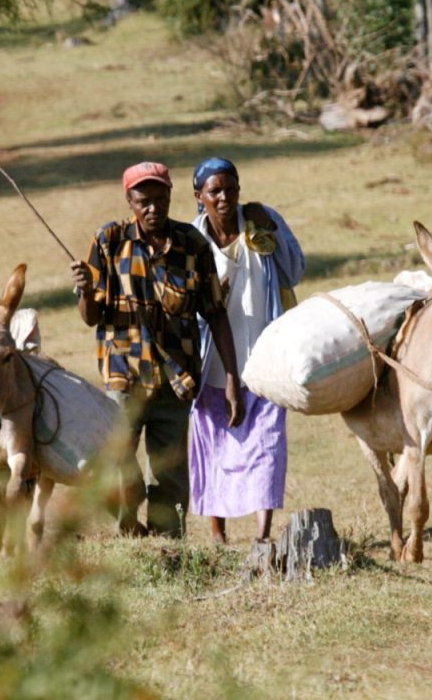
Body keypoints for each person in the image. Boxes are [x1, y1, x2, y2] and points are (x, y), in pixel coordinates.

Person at [71, 161, 246, 537]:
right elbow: (91, 317)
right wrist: (86, 290)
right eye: (143, 201)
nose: (152, 209)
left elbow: (215, 314)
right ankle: (130, 536)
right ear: (129, 201)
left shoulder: (192, 245)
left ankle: (169, 547)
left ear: (171, 196)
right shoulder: (109, 240)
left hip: (177, 382)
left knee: (170, 474)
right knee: (120, 467)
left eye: (159, 199)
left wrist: (232, 379)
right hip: (124, 380)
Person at [189, 157, 305, 544]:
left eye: (231, 188)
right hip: (212, 365)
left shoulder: (259, 220)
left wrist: (271, 228)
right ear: (199, 197)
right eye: (214, 191)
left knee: (267, 444)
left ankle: (262, 534)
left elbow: (295, 270)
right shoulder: (190, 238)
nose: (224, 198)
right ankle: (217, 533)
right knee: (215, 447)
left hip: (264, 358)